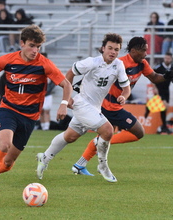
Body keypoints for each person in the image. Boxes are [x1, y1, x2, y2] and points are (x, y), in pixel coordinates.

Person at [0, 24, 72, 203]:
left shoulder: (44, 64)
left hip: (30, 118)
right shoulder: (8, 60)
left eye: (38, 46)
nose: (35, 50)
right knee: (4, 144)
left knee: (7, 163)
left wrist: (63, 104)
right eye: (31, 45)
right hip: (9, 110)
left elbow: (66, 84)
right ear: (22, 43)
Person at [36, 33, 131, 183]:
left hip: (94, 108)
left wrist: (123, 97)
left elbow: (126, 88)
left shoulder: (118, 65)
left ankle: (45, 157)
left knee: (70, 137)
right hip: (81, 104)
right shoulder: (91, 62)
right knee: (107, 130)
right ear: (103, 48)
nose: (113, 52)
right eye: (110, 48)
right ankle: (102, 165)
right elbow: (69, 73)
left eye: (116, 49)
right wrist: (67, 99)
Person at [72, 37, 173, 177]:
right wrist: (81, 83)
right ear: (133, 51)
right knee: (138, 132)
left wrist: (167, 76)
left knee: (109, 135)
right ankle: (98, 145)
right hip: (108, 106)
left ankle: (79, 165)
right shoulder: (121, 63)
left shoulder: (142, 64)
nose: (146, 53)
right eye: (143, 50)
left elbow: (155, 77)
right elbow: (101, 73)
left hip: (115, 106)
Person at [145, 52, 173, 134]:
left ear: (171, 59)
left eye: (168, 58)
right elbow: (152, 77)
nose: (167, 59)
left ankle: (163, 126)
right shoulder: (158, 67)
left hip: (166, 90)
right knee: (165, 106)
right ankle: (164, 126)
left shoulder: (171, 67)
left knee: (164, 108)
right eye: (166, 58)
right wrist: (154, 88)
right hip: (159, 89)